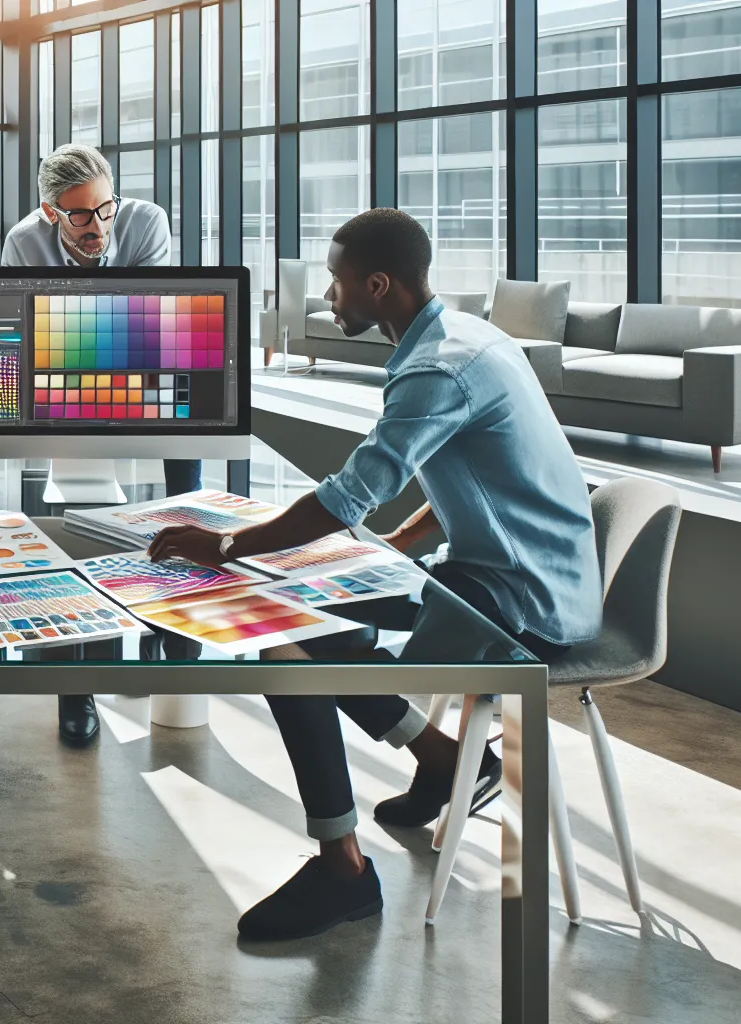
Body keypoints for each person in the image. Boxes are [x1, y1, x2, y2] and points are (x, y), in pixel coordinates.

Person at [148, 208, 601, 941]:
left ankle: (344, 872)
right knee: (310, 610)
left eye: (337, 280)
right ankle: (442, 757)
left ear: (378, 285)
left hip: (521, 606)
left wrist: (226, 547)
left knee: (285, 649)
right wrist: (396, 545)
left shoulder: (435, 371)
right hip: (526, 575)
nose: (329, 294)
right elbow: (478, 476)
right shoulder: (471, 338)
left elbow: (349, 495)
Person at [2, 142, 204, 744]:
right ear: (50, 212)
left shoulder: (146, 221)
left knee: (184, 471)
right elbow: (28, 333)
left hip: (144, 366)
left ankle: (175, 617)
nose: (98, 226)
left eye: (105, 208)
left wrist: (80, 322)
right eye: (80, 215)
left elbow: (149, 321)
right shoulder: (24, 241)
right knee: (66, 523)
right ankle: (75, 677)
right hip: (62, 377)